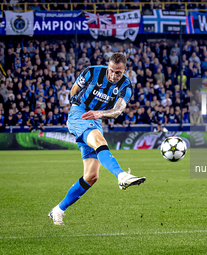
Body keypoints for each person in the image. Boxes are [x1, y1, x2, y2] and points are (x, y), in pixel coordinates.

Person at [49, 53, 146, 225]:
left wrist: (100, 114)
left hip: (96, 119)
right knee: (101, 141)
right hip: (80, 113)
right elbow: (74, 89)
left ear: (125, 70)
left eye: (118, 73)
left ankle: (58, 210)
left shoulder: (126, 86)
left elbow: (117, 111)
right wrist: (74, 107)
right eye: (111, 71)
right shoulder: (91, 72)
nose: (114, 76)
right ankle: (121, 175)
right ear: (107, 66)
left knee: (91, 176)